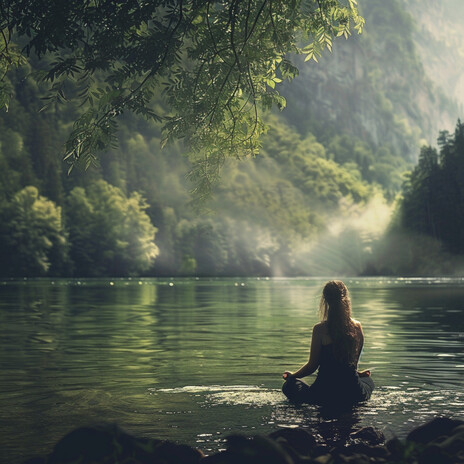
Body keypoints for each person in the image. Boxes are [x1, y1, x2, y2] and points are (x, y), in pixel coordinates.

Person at [282, 280, 374, 407]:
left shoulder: (320, 329)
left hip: (323, 393)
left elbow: (312, 366)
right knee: (368, 380)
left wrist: (292, 375)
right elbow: (353, 364)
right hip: (353, 393)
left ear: (325, 300)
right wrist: (359, 374)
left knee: (289, 385)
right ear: (346, 299)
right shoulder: (357, 327)